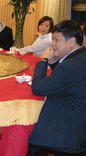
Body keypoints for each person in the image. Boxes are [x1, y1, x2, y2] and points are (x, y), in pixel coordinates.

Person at [27, 20, 86, 155]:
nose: (52, 44)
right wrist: (54, 64)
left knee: (27, 141)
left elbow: (38, 88)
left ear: (71, 41)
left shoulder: (70, 66)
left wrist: (43, 60)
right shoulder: (80, 57)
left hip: (67, 136)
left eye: (56, 40)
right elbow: (66, 77)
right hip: (80, 126)